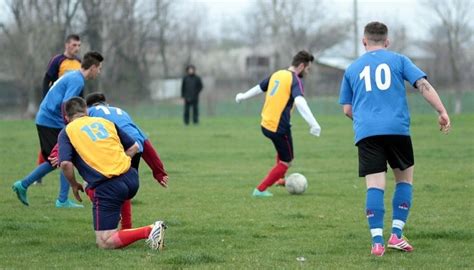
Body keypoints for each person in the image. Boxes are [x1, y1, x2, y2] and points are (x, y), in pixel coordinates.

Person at [338, 21, 451, 256]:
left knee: (375, 186)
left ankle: (377, 242)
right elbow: (423, 85)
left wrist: (365, 121)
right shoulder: (399, 60)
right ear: (387, 42)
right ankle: (396, 235)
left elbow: (347, 110)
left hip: (367, 133)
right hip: (397, 130)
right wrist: (441, 111)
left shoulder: (352, 68)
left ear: (364, 41)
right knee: (404, 182)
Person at [58, 97, 166, 249]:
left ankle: (150, 230)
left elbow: (65, 163)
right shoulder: (106, 122)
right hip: (131, 178)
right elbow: (134, 147)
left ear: (66, 117)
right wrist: (120, 161)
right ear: (86, 111)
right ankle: (118, 222)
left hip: (109, 186)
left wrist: (73, 185)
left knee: (104, 242)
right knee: (90, 184)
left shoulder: (67, 131)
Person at [12, 51, 104, 208]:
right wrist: (69, 126)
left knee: (56, 160)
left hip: (48, 119)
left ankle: (25, 185)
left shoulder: (74, 76)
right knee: (63, 158)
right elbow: (65, 103)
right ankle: (60, 200)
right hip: (50, 121)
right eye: (99, 68)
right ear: (93, 67)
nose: (99, 72)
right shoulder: (78, 80)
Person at [235, 50, 322, 197]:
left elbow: (259, 88)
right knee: (286, 162)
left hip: (267, 124)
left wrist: (243, 96)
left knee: (285, 154)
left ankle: (280, 179)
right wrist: (313, 124)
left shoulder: (278, 74)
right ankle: (260, 190)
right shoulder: (294, 80)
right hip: (277, 127)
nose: (307, 72)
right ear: (301, 66)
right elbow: (300, 101)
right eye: (308, 69)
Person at [85, 92, 169, 229]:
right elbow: (145, 141)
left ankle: (112, 212)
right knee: (125, 187)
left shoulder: (89, 112)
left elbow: (74, 131)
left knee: (89, 183)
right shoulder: (121, 112)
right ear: (106, 104)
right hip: (135, 147)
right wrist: (158, 171)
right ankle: (127, 227)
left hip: (116, 147)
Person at [35, 34, 82, 184]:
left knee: (58, 145)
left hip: (67, 110)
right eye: (74, 45)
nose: (77, 48)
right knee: (59, 147)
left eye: (79, 45)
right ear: (67, 45)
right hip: (54, 110)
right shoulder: (57, 60)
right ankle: (37, 177)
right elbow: (46, 80)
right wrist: (45, 100)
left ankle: (37, 178)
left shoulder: (79, 63)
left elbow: (78, 90)